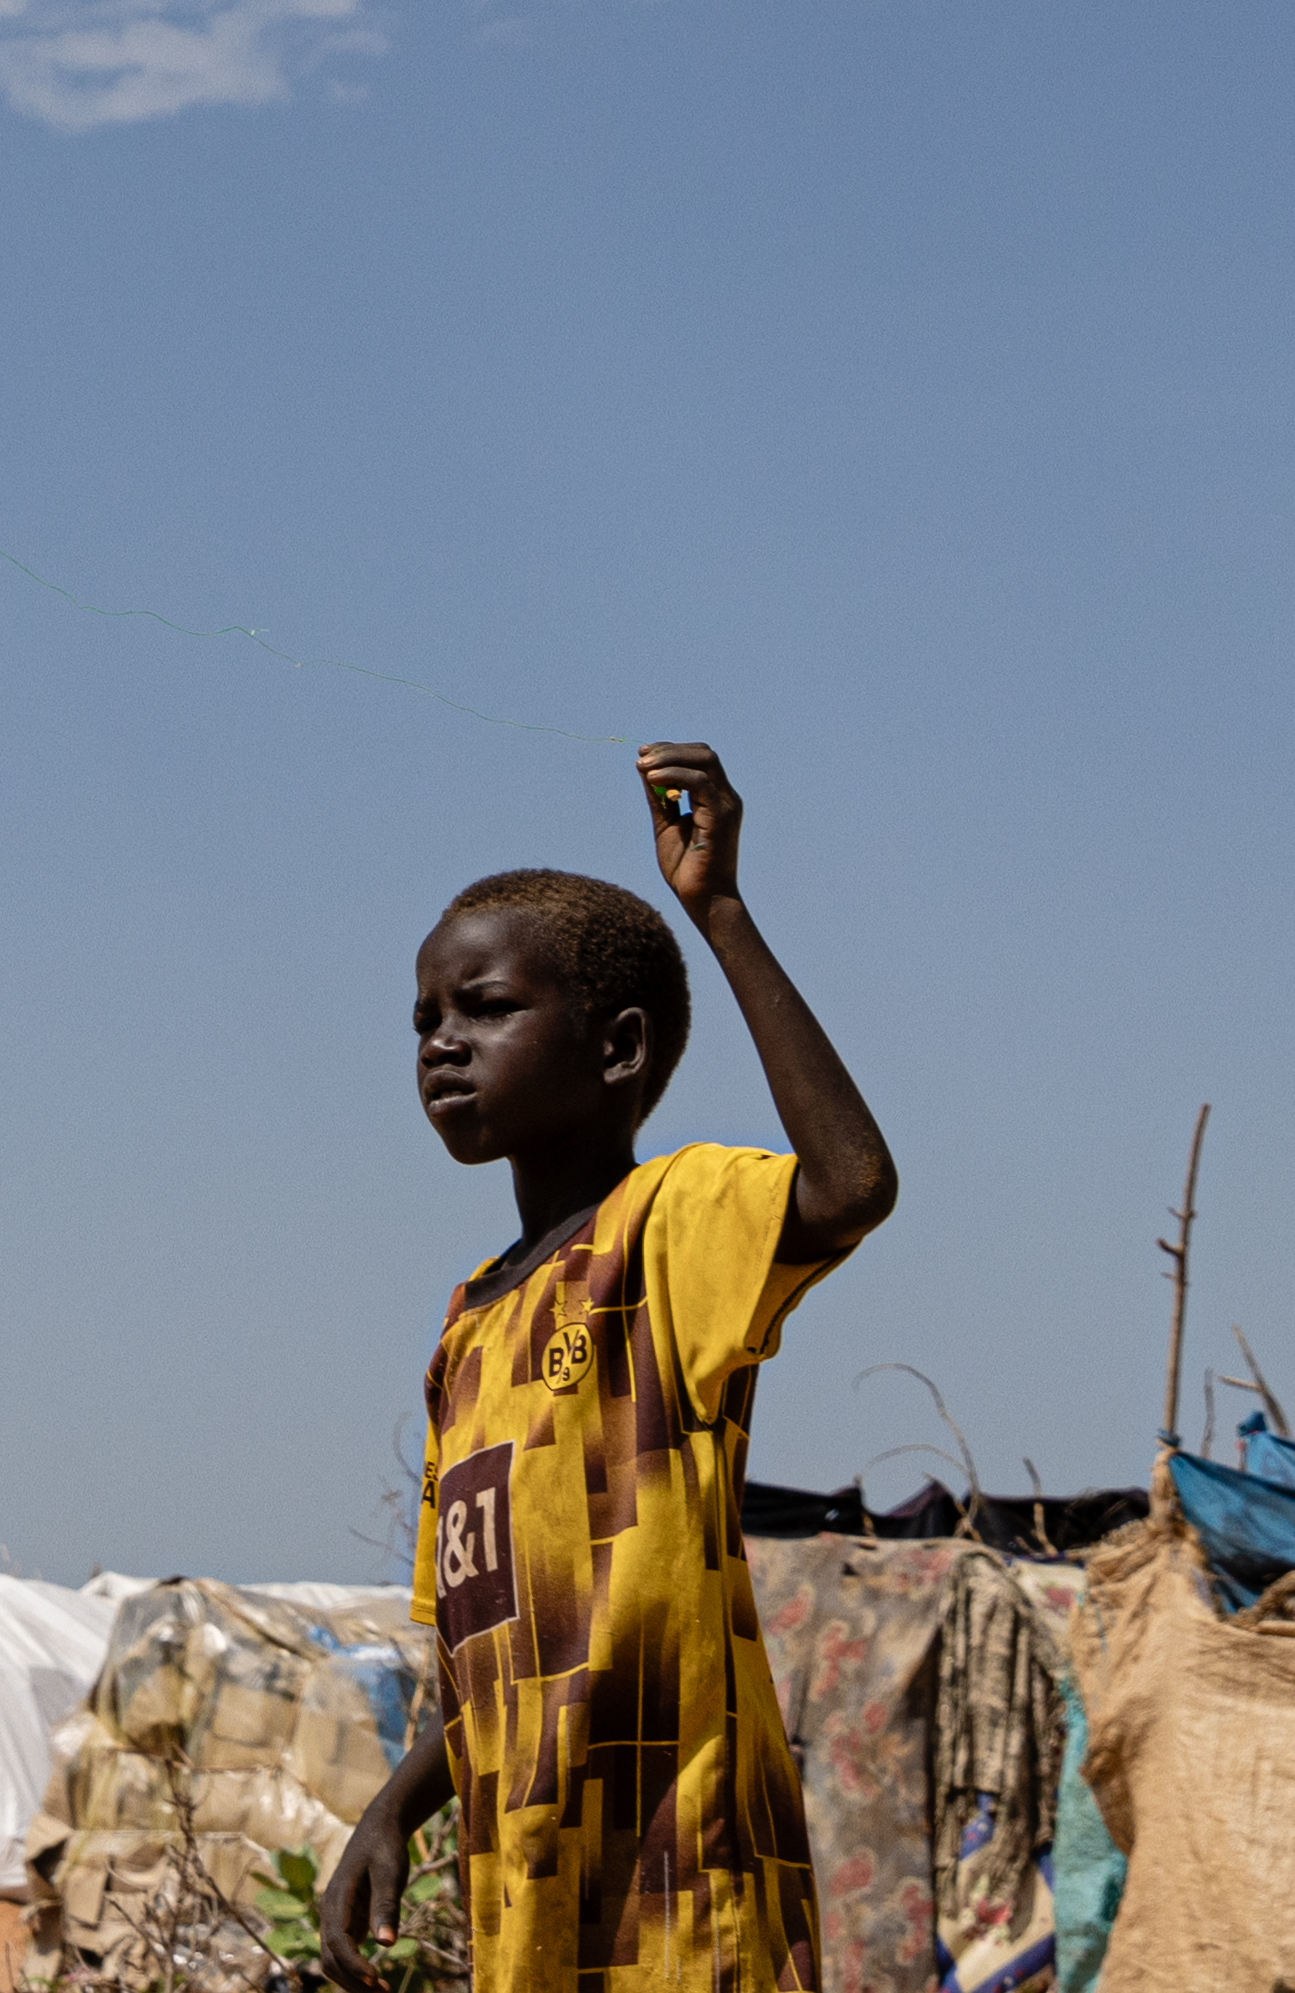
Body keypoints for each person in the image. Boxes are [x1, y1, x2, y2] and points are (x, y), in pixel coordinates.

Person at [310, 742, 899, 1993]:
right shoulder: (467, 1331)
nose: (441, 1042)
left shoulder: (668, 1230)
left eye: (485, 1007)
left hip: (685, 1894)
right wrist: (392, 1811)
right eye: (425, 1018)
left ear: (618, 1046)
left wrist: (719, 909)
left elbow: (850, 1185)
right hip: (529, 1910)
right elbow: (487, 1648)